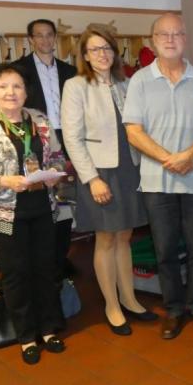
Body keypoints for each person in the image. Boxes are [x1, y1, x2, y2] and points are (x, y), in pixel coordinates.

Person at [0, 63, 67, 365]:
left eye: (17, 86)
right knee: (17, 273)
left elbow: (58, 157)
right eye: (3, 86)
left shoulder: (40, 119)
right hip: (2, 211)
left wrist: (55, 174)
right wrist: (3, 181)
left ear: (25, 91)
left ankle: (49, 328)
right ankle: (26, 336)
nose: (11, 92)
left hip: (43, 207)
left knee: (45, 268)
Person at [123, 13, 193, 340]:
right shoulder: (139, 81)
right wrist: (170, 159)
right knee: (164, 251)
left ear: (185, 39)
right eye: (163, 34)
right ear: (153, 40)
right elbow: (134, 132)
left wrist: (188, 156)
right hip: (157, 181)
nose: (170, 39)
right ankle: (174, 309)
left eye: (177, 33)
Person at [61, 27, 155, 336]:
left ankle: (129, 298)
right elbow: (72, 138)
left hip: (129, 168)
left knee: (125, 235)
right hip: (99, 173)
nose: (102, 54)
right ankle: (111, 305)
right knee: (106, 238)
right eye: (95, 49)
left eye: (107, 48)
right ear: (85, 56)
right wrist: (92, 179)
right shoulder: (76, 86)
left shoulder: (127, 83)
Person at [14, 19, 78, 278]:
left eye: (49, 35)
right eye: (39, 35)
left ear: (55, 37)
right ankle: (43, 262)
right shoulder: (19, 70)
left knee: (66, 196)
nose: (45, 40)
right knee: (42, 197)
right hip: (37, 139)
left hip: (69, 136)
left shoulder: (70, 70)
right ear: (31, 39)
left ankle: (60, 258)